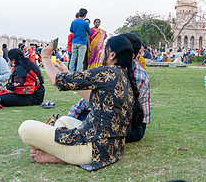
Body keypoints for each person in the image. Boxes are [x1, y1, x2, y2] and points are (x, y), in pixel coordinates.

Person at [18, 35, 140, 171]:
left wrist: (45, 57)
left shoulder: (106, 73)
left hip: (94, 150)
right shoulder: (124, 77)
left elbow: (56, 80)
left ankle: (59, 156)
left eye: (104, 49)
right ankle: (62, 153)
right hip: (112, 149)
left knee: (25, 128)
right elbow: (93, 99)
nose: (100, 52)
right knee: (64, 121)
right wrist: (68, 74)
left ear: (112, 55)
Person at [67, 33, 151, 143]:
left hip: (125, 129)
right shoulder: (139, 73)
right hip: (136, 129)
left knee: (84, 117)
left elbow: (91, 100)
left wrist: (71, 116)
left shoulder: (116, 74)